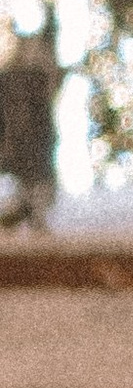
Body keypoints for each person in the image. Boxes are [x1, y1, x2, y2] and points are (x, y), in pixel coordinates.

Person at [0, 15, 61, 232]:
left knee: (35, 173)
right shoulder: (12, 75)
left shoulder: (35, 74)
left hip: (34, 136)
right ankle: (25, 210)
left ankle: (29, 210)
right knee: (27, 172)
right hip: (22, 136)